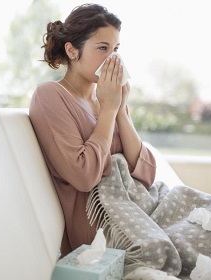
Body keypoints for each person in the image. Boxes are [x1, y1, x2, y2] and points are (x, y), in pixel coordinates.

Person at [29, 3, 156, 257]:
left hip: (140, 207)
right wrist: (109, 111)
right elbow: (84, 176)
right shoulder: (51, 96)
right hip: (101, 229)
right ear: (72, 50)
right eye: (102, 48)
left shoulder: (108, 99)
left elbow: (146, 174)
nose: (113, 59)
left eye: (116, 49)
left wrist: (119, 110)